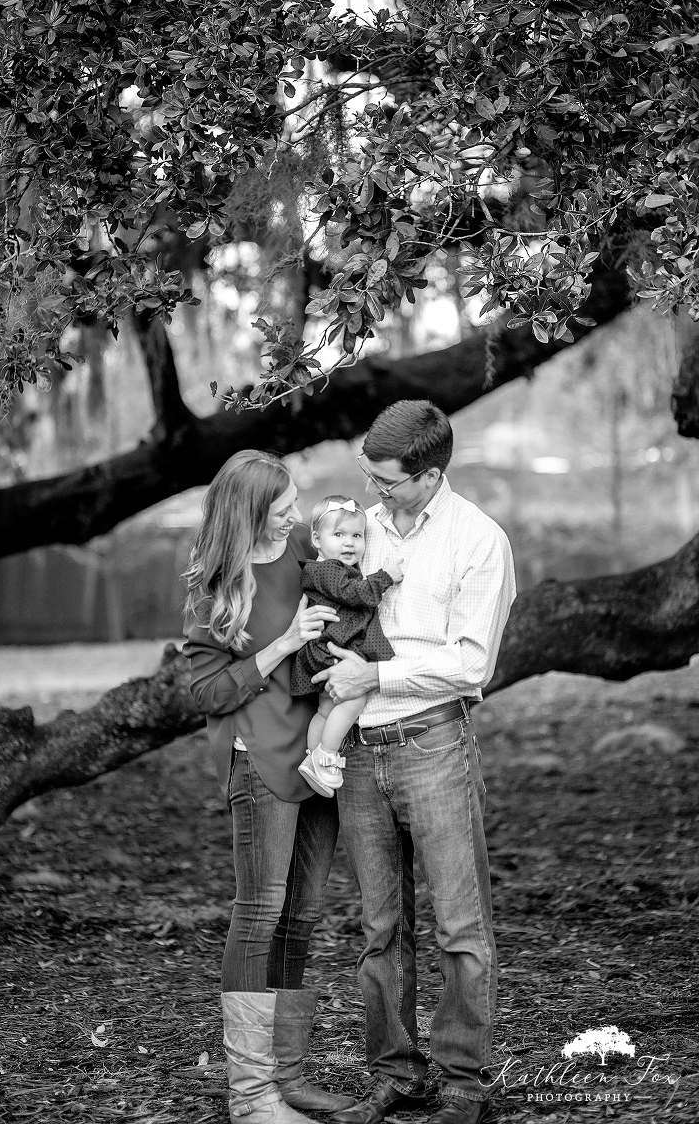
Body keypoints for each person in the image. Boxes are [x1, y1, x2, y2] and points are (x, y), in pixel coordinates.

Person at [313, 401, 516, 1124]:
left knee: (459, 923)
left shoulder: (479, 541)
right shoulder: (357, 533)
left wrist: (375, 677)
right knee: (379, 928)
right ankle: (399, 1074)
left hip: (433, 743)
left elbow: (470, 663)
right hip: (360, 753)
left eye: (389, 483)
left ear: (430, 476)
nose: (375, 495)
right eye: (368, 478)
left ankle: (464, 1082)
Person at [182, 450, 355, 1124]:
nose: (292, 514)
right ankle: (251, 1097)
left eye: (293, 504)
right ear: (250, 509)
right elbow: (205, 691)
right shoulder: (215, 584)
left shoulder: (301, 555)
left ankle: (290, 1080)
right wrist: (282, 644)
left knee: (302, 917)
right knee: (259, 911)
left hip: (318, 753)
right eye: (280, 506)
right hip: (259, 761)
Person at [290, 495, 402, 796]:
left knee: (326, 711)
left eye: (357, 535)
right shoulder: (328, 570)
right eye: (338, 535)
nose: (349, 543)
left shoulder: (327, 568)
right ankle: (327, 755)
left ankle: (314, 758)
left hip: (326, 649)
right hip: (330, 651)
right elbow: (358, 595)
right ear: (316, 538)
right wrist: (386, 577)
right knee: (353, 699)